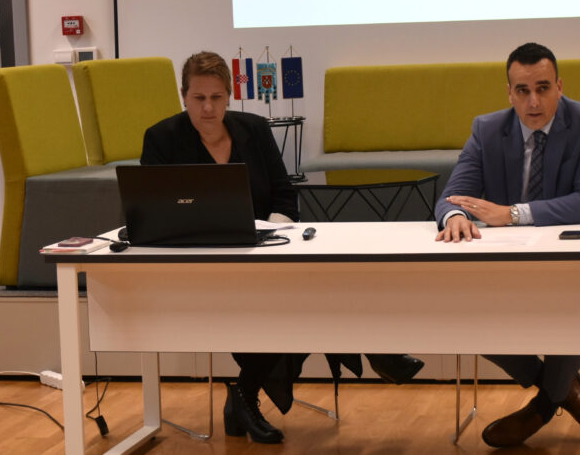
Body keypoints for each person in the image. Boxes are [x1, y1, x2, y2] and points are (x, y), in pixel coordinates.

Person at [142, 51, 423, 444]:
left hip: (261, 256)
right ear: (183, 96)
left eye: (217, 98)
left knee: (303, 289)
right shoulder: (162, 139)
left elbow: (284, 197)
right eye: (198, 98)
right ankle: (373, 346)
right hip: (199, 265)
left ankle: (244, 395)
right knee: (300, 300)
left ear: (230, 95)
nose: (208, 108)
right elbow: (152, 212)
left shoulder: (254, 130)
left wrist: (269, 234)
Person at [434, 42, 580, 448]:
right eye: (523, 90)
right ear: (509, 93)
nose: (534, 101)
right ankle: (563, 390)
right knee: (463, 314)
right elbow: (452, 196)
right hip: (504, 265)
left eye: (543, 88)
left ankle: (542, 408)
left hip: (570, 264)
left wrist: (511, 213)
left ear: (560, 87)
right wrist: (455, 216)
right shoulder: (487, 129)